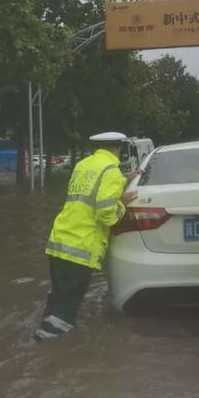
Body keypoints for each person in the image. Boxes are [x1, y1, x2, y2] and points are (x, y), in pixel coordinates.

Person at [35, 132, 137, 341]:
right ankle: (52, 350)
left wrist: (125, 182)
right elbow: (106, 212)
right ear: (118, 148)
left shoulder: (83, 165)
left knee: (58, 298)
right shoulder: (111, 170)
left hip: (60, 241)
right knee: (66, 308)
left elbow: (90, 196)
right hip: (80, 248)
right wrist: (123, 207)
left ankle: (43, 339)